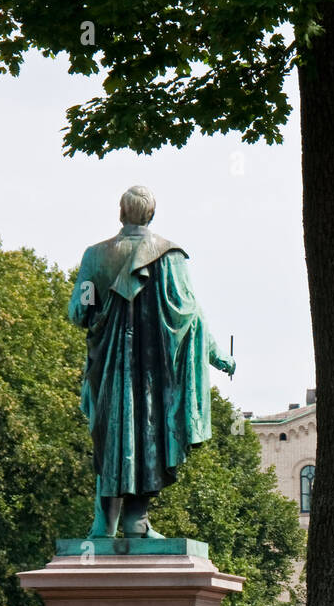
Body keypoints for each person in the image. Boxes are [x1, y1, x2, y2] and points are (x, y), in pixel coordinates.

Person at [69, 185, 235, 538]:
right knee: (145, 439)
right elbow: (189, 314)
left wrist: (97, 302)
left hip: (107, 370)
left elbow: (80, 310)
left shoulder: (94, 256)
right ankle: (134, 522)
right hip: (150, 374)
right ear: (152, 215)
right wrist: (218, 355)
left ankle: (106, 525)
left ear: (120, 212)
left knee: (110, 436)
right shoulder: (168, 256)